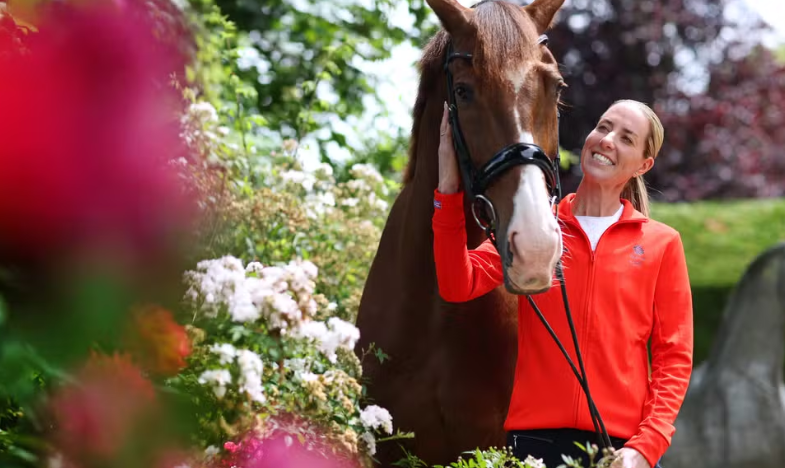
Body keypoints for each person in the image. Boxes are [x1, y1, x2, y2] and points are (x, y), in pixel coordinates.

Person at [432, 100, 693, 468]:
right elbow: (459, 283)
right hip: (536, 444)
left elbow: (673, 358)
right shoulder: (538, 228)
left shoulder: (661, 244)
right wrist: (448, 189)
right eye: (603, 127)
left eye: (626, 138)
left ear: (643, 165)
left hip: (619, 450)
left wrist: (645, 447)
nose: (607, 140)